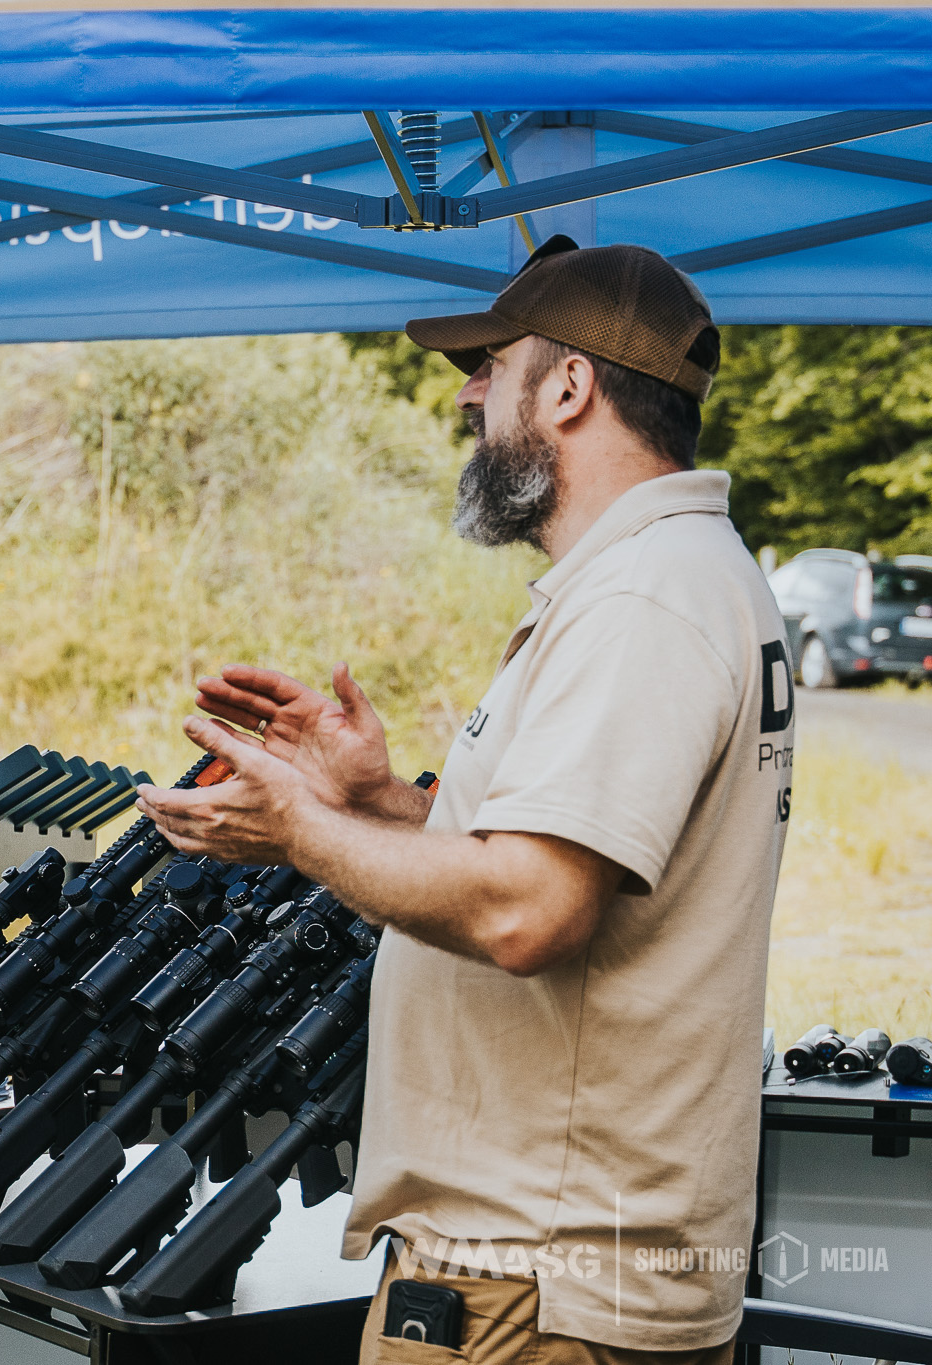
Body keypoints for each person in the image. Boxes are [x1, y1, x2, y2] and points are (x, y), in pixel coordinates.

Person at [137, 238, 790, 1365]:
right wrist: (373, 799)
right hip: (561, 1268)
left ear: (571, 386)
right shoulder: (666, 577)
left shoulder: (643, 600)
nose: (466, 393)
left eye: (492, 365)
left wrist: (298, 828)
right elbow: (538, 864)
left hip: (533, 1283)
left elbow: (525, 912)